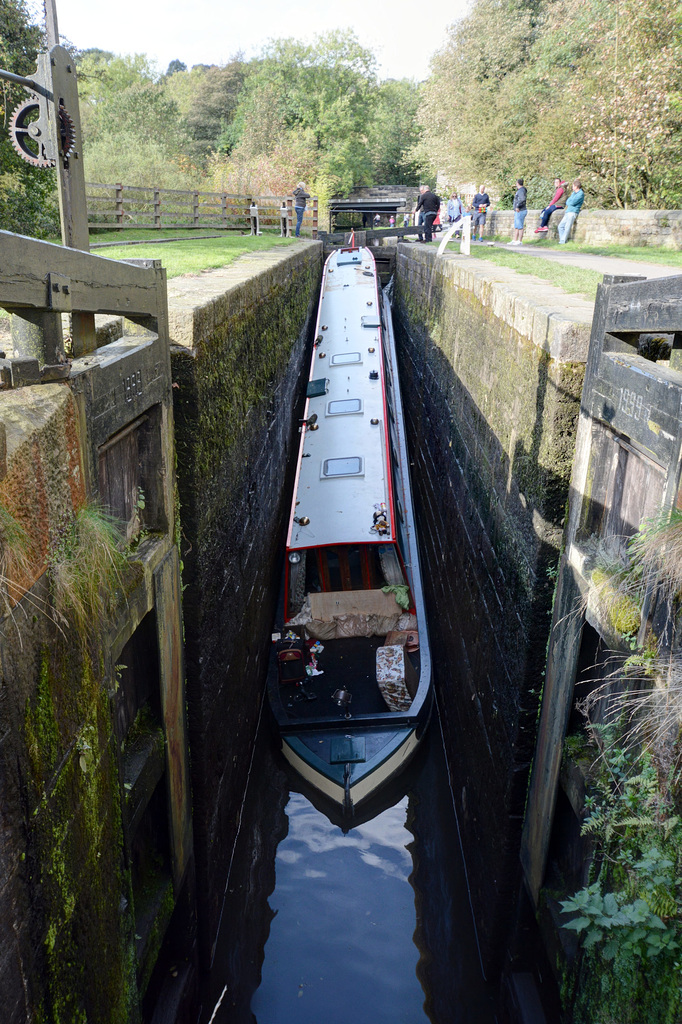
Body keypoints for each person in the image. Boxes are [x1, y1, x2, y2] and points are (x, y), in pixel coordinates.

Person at [557, 179, 584, 243]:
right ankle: (562, 239)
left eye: (573, 186)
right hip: (568, 211)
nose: (572, 187)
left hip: (573, 212)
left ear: (576, 187)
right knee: (560, 226)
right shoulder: (574, 193)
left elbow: (572, 203)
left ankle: (563, 241)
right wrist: (569, 202)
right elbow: (568, 201)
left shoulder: (580, 194)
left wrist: (569, 202)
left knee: (567, 226)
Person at [511, 178, 527, 245]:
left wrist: (518, 206)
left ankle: (519, 241)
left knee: (520, 226)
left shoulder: (521, 191)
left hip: (520, 210)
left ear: (517, 183)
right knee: (517, 226)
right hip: (518, 211)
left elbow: (522, 199)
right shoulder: (520, 190)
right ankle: (515, 240)